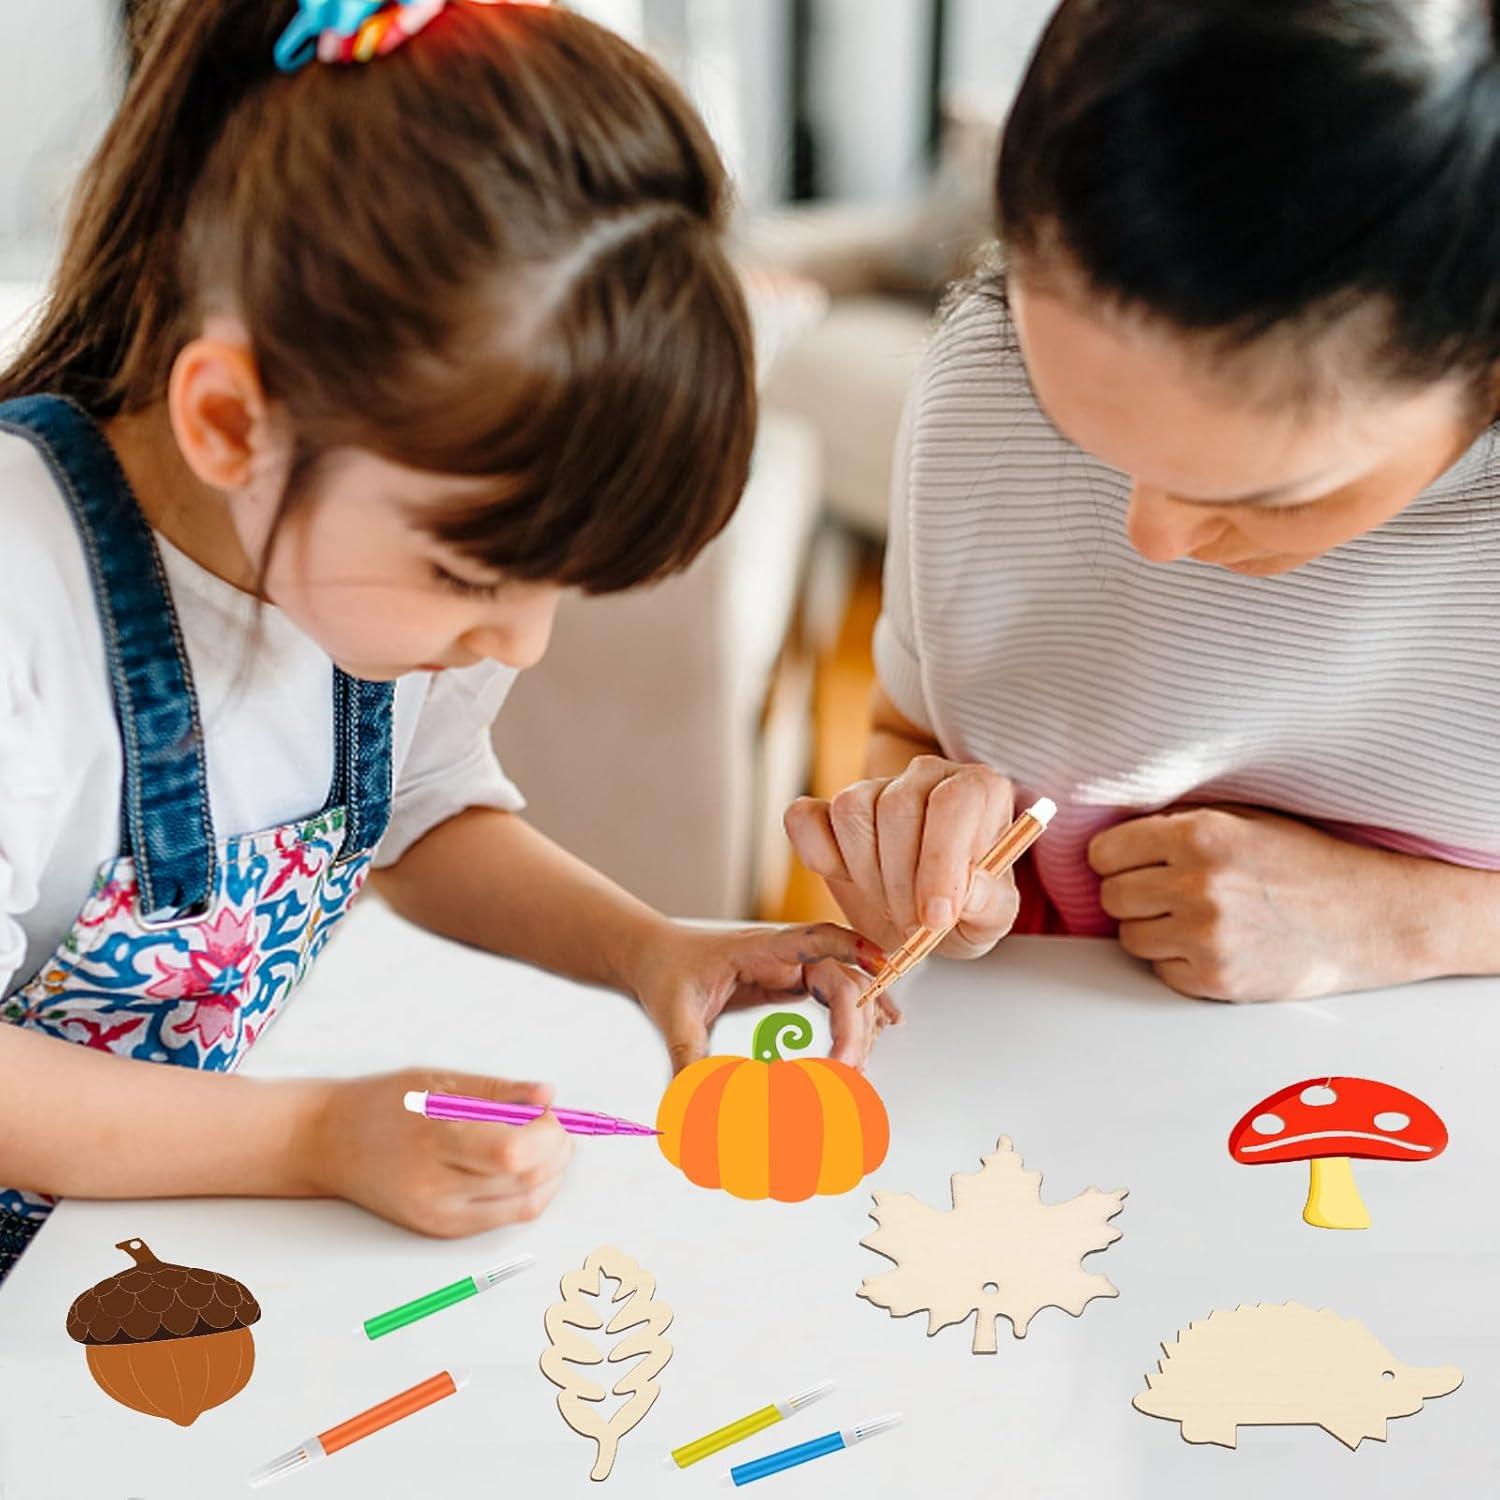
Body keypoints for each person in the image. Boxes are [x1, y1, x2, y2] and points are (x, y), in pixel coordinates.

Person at [0, 0, 893, 1285]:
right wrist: (314, 1137)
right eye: (472, 578)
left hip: (121, 1249)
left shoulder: (354, 575)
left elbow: (421, 819)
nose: (517, 645)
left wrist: (647, 948)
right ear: (232, 422)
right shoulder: (24, 593)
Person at [789, 0, 1500, 1005]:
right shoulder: (982, 386)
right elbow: (909, 729)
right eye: (1076, 434)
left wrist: (1409, 920)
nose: (1149, 536)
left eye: (1266, 496)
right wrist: (925, 844)